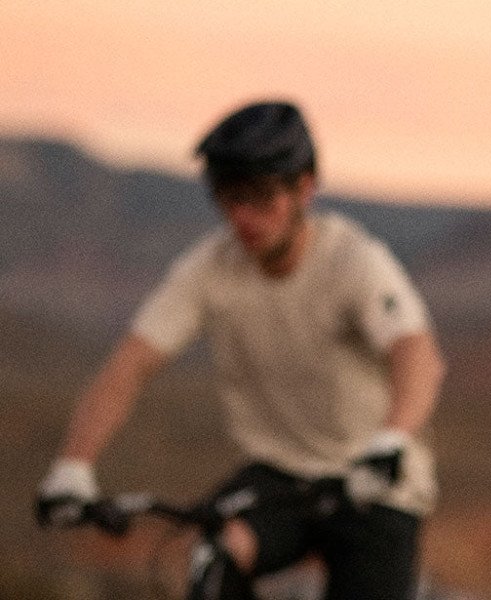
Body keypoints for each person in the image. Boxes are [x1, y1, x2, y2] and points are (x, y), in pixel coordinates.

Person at [36, 100, 446, 600]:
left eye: (261, 198)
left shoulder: (353, 260)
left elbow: (415, 353)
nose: (243, 217)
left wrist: (392, 438)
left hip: (374, 479)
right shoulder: (210, 268)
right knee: (208, 556)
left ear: (305, 188)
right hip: (281, 474)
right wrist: (74, 464)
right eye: (229, 200)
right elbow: (132, 363)